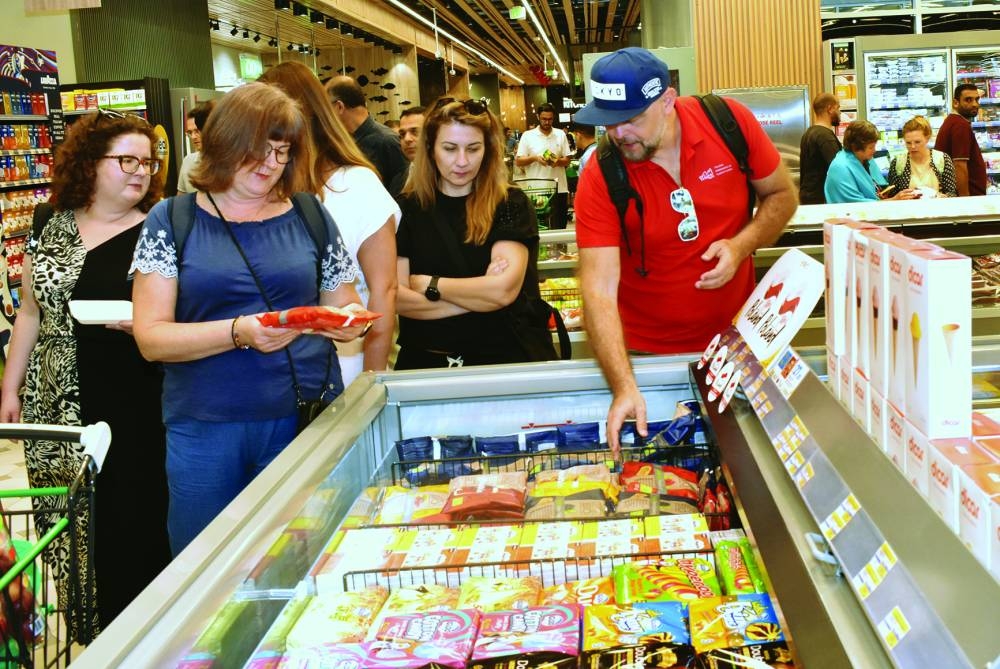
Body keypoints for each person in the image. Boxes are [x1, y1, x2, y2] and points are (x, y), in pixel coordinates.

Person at [130, 83, 365, 555]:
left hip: (303, 418)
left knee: (306, 556)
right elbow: (151, 338)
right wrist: (240, 332)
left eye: (281, 151)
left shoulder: (310, 214)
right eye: (257, 150)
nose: (270, 164)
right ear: (223, 144)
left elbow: (346, 302)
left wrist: (350, 320)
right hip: (206, 428)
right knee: (204, 566)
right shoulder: (171, 219)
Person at [572, 47, 797, 453]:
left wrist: (740, 245)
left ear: (668, 101)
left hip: (739, 349)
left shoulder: (727, 124)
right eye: (608, 122)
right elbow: (598, 291)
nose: (619, 134)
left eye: (632, 119)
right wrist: (624, 386)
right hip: (645, 360)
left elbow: (782, 196)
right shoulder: (601, 175)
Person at [0, 110, 171, 628]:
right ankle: (91, 627)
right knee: (68, 516)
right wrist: (11, 388)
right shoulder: (49, 223)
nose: (140, 171)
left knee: (131, 513)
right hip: (52, 399)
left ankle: (141, 626)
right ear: (89, 164)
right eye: (126, 160)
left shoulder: (159, 229)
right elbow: (30, 310)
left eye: (147, 161)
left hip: (130, 394)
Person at [258, 61, 400, 386]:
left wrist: (373, 383)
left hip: (346, 367)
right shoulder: (268, 189)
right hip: (276, 375)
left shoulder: (356, 184)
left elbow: (384, 291)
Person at [395, 96, 555, 369]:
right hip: (427, 365)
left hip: (503, 362)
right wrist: (480, 298)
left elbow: (502, 291)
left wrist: (430, 285)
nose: (462, 161)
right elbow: (396, 298)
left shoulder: (509, 203)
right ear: (431, 148)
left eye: (473, 148)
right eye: (449, 148)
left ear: (488, 149)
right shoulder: (407, 208)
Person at [326, 75, 408, 191]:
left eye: (327, 107)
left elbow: (400, 195)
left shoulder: (388, 141)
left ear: (339, 107)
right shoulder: (342, 143)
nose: (325, 114)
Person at [825, 120, 919, 203]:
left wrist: (879, 196)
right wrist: (893, 200)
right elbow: (855, 205)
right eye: (871, 147)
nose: (874, 151)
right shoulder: (841, 168)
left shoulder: (861, 159)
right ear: (856, 147)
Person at [515, 103, 571, 229]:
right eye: (544, 119)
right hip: (537, 189)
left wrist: (557, 162)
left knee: (559, 226)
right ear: (538, 117)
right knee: (540, 228)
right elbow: (519, 161)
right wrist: (535, 158)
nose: (547, 122)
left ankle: (560, 248)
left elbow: (567, 159)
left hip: (559, 189)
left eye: (550, 119)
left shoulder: (560, 134)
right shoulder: (528, 136)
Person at [934, 84, 987, 196]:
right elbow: (959, 165)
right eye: (968, 100)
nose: (974, 104)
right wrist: (965, 200)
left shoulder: (953, 121)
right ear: (955, 103)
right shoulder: (960, 125)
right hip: (967, 197)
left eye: (976, 99)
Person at [887, 115, 957, 198]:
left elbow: (952, 193)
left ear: (927, 138)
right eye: (908, 143)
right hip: (908, 210)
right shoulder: (898, 163)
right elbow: (892, 196)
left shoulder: (942, 159)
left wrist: (940, 196)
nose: (913, 146)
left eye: (917, 142)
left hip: (937, 209)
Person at [798, 93, 842, 204]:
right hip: (821, 199)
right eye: (838, 108)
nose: (840, 113)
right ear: (830, 109)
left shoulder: (809, 133)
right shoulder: (825, 136)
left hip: (808, 197)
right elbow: (839, 169)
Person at [177, 100, 215, 194]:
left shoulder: (229, 162)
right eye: (190, 133)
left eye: (197, 131)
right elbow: (181, 200)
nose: (193, 137)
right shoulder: (188, 162)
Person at [390, 105, 426, 196]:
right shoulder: (398, 178)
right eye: (402, 134)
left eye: (415, 132)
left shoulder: (446, 179)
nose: (407, 139)